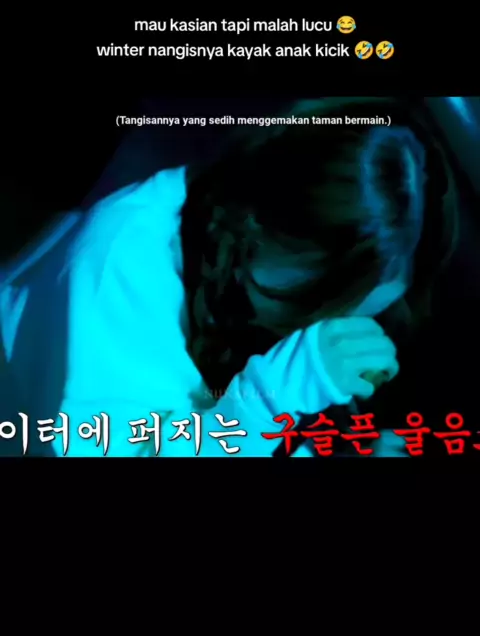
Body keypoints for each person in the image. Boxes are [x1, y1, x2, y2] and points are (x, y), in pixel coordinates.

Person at [0, 98, 457, 457]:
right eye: (320, 309)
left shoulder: (237, 265)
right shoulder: (119, 276)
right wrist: (268, 403)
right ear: (262, 229)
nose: (325, 335)